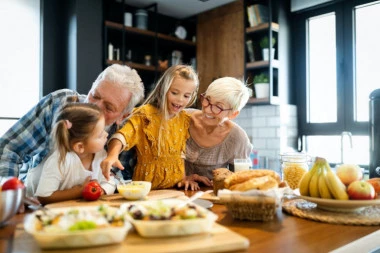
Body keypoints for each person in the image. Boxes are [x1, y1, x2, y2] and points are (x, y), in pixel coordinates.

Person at [0, 64, 144, 182]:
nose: (95, 107)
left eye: (109, 107)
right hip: (38, 199)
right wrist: (10, 193)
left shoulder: (125, 133)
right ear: (92, 87)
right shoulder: (59, 103)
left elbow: (122, 179)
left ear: (123, 116)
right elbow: (9, 149)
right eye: (95, 95)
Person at [101, 65, 199, 190]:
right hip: (146, 191)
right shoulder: (145, 115)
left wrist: (184, 178)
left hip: (175, 189)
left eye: (186, 96)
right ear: (163, 89)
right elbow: (121, 136)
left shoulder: (184, 119)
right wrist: (112, 156)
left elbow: (179, 155)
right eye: (174, 93)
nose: (180, 100)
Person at [26, 103, 116, 204]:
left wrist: (102, 190)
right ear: (80, 147)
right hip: (35, 208)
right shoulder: (60, 160)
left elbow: (110, 182)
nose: (106, 134)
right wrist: (80, 191)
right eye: (100, 135)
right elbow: (44, 196)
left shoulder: (101, 154)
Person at [178, 77, 253, 190]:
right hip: (173, 194)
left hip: (212, 200)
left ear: (233, 114)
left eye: (218, 107)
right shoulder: (181, 119)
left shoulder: (237, 138)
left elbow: (241, 182)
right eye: (207, 100)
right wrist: (181, 177)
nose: (207, 110)